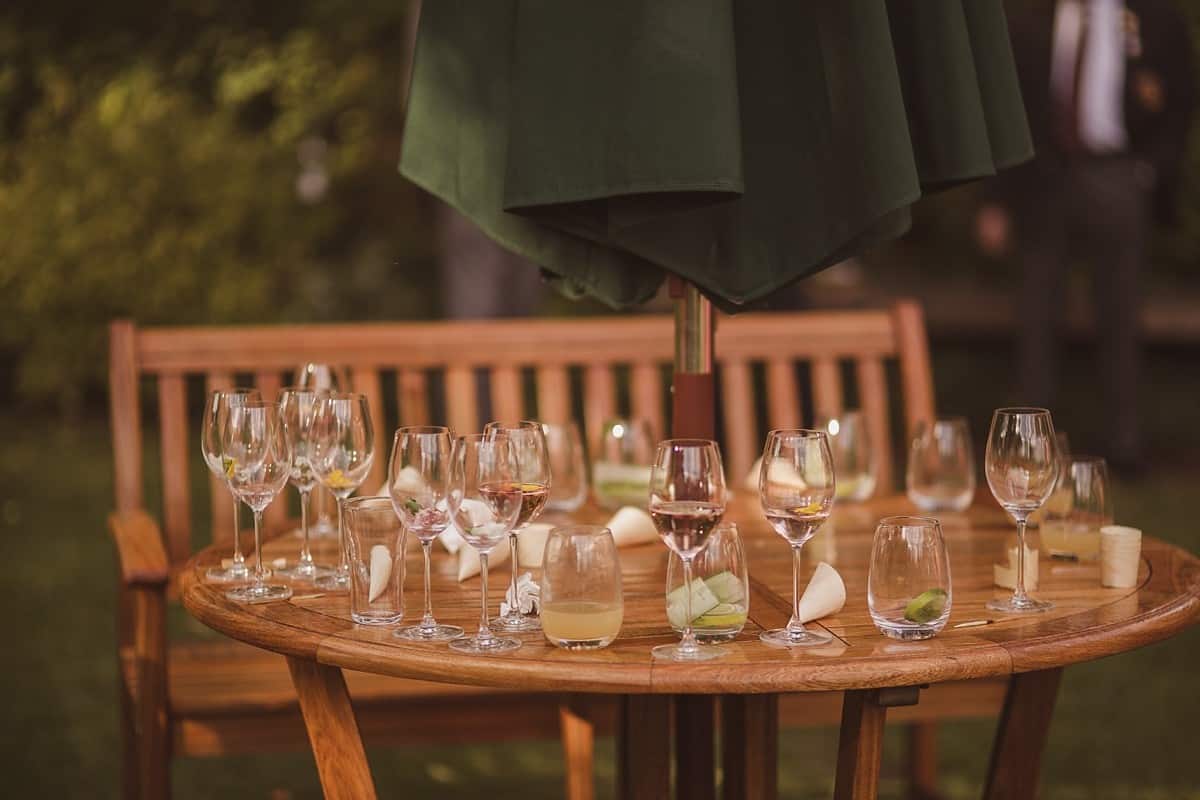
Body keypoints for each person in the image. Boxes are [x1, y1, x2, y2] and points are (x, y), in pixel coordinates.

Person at [978, 0, 1194, 475]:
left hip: (1118, 174)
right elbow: (1007, 108)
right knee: (1035, 312)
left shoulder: (1154, 16)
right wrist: (997, 198)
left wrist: (1149, 173)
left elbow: (1179, 98)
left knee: (1120, 311)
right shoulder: (1032, 18)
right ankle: (1028, 447)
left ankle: (1123, 444)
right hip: (1045, 179)